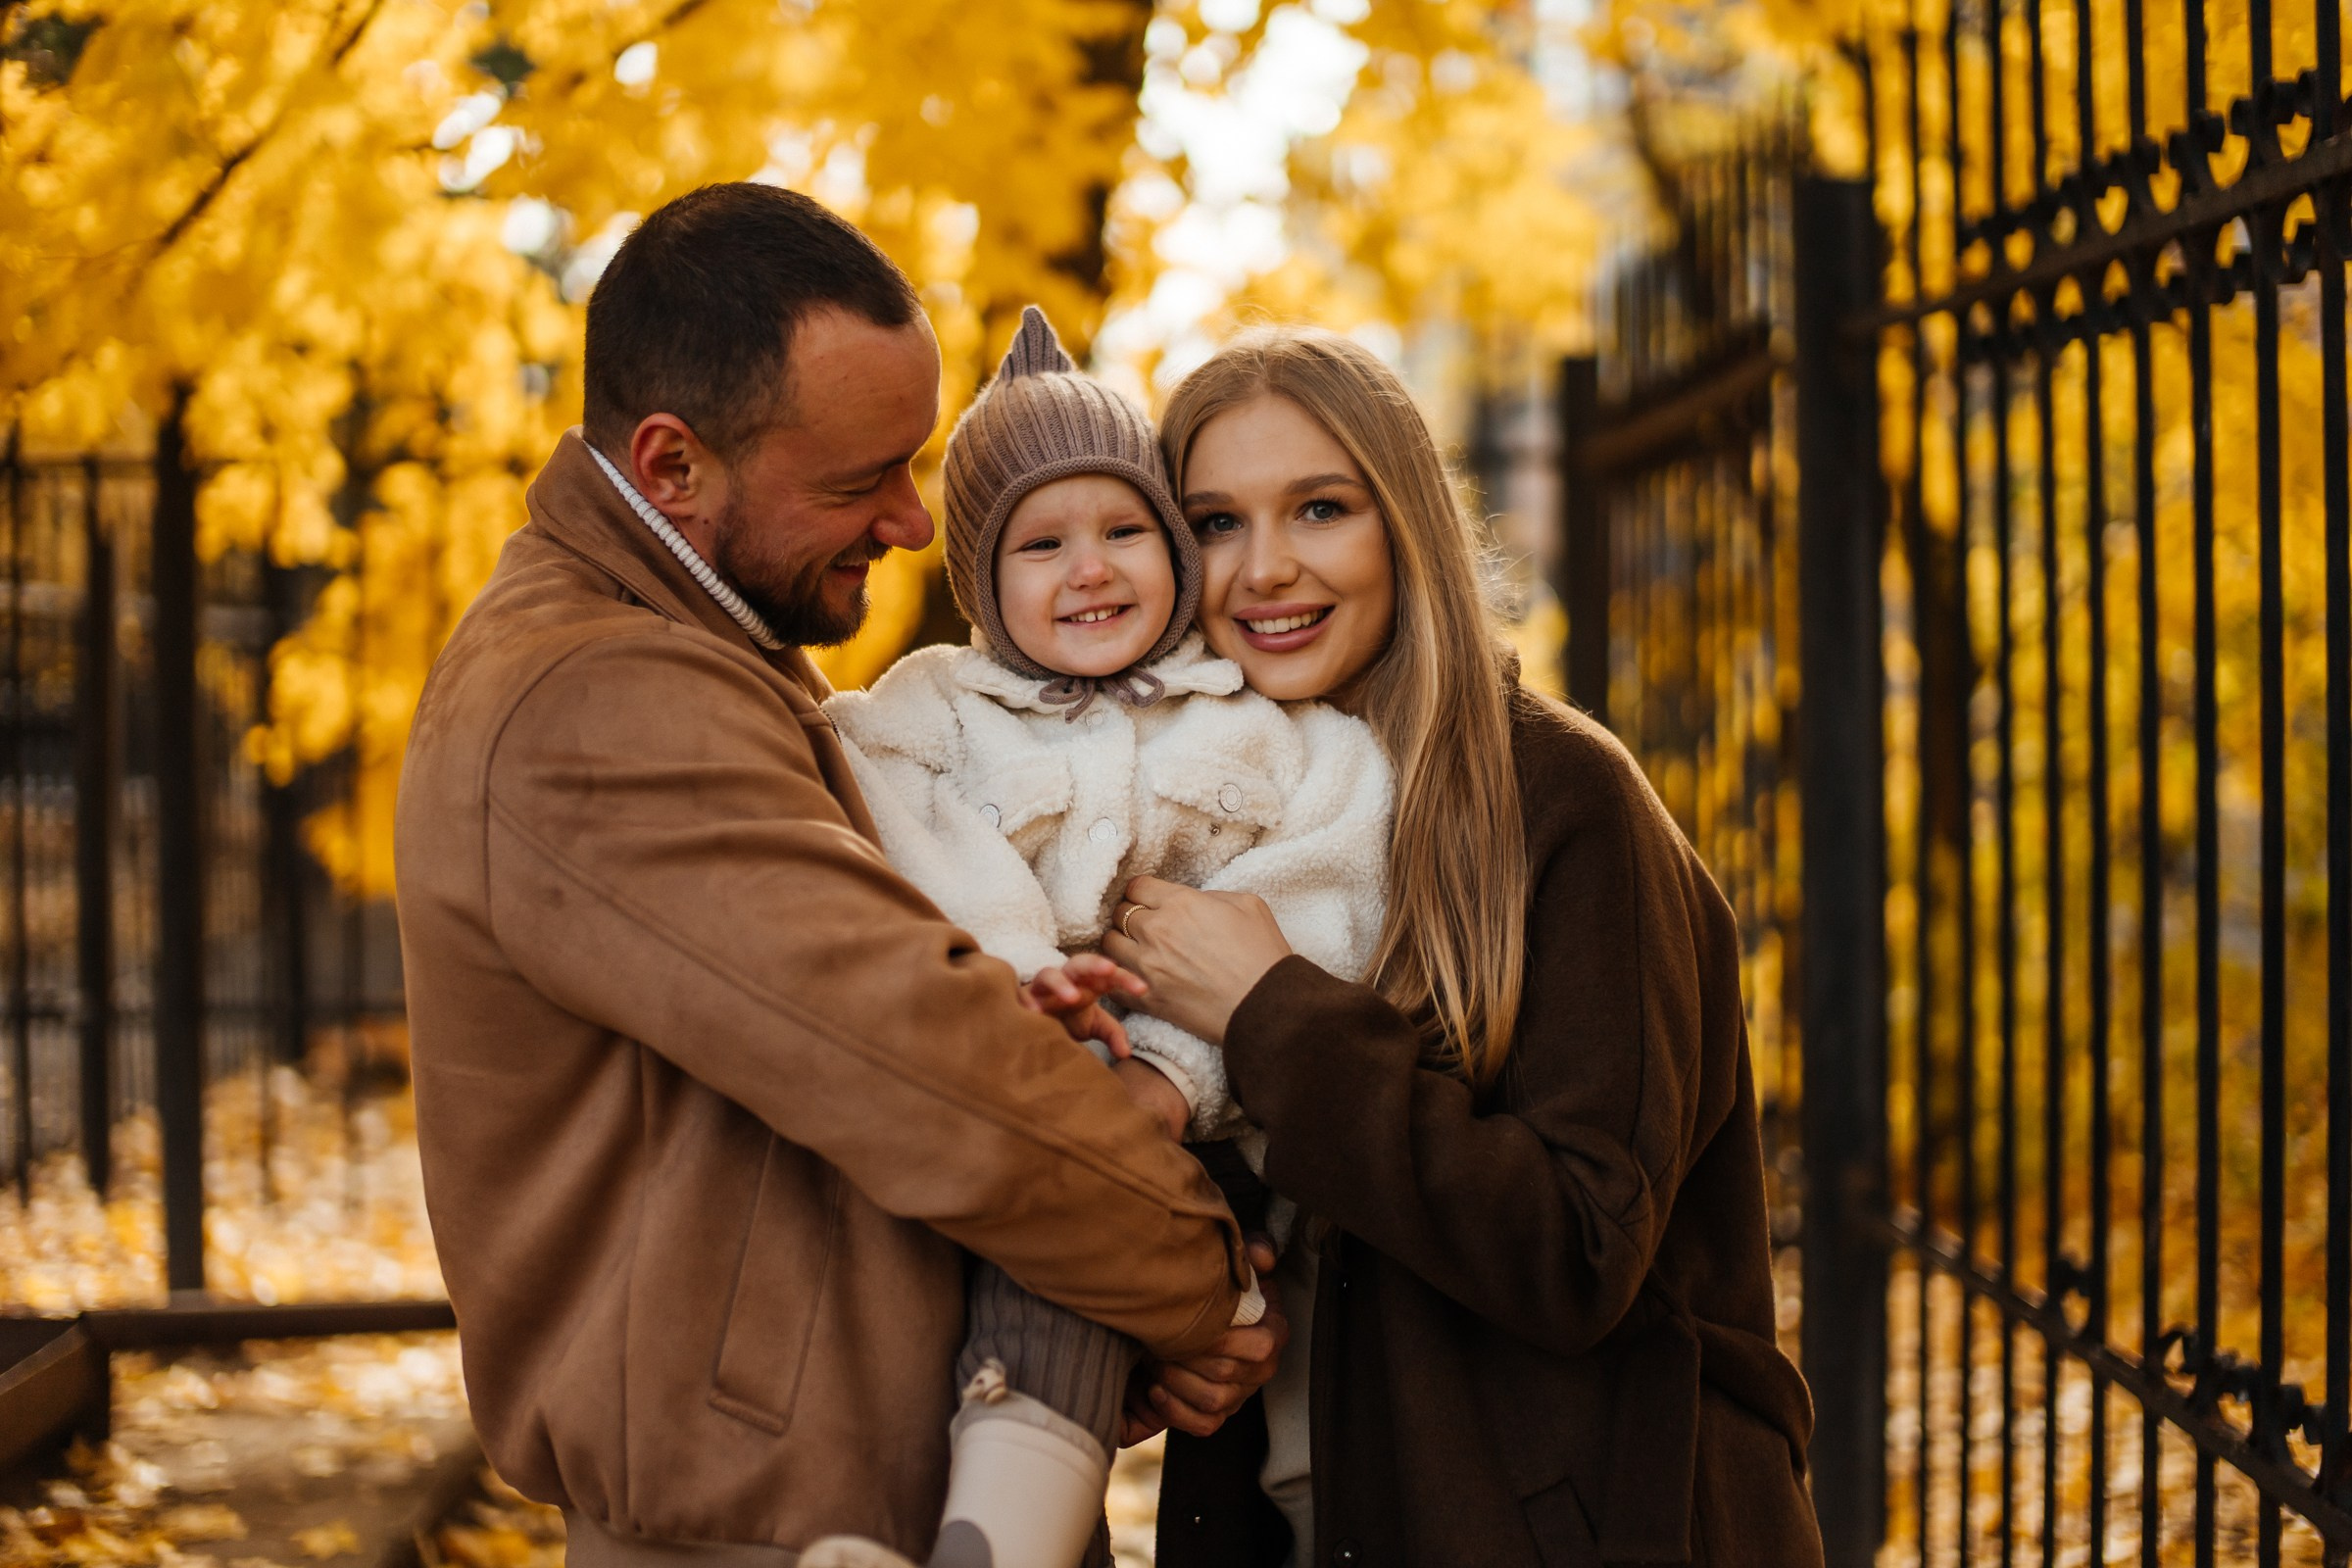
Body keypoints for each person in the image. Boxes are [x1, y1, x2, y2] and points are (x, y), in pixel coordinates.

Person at [393, 183, 1280, 1568]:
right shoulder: (599, 697)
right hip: (765, 1516)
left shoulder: (710, 651)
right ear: (672, 465)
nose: (918, 524)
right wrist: (1197, 1283)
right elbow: (921, 1059)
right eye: (858, 478)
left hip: (877, 1491)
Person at [1101, 326, 1826, 1567]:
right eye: (1216, 522)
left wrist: (1273, 1014)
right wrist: (1169, 1339)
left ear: (1406, 526)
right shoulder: (1198, 826)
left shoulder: (1559, 800)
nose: (1264, 569)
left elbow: (1579, 1251)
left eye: (1320, 508)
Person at [815, 307, 1392, 1568]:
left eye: (1126, 530)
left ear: (1173, 552)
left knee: (1069, 1263)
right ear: (979, 578)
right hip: (1013, 1083)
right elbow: (910, 844)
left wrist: (1165, 1079)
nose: (1090, 568)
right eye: (1043, 543)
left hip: (1206, 1140)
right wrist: (1034, 995)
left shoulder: (1264, 728)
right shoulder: (930, 715)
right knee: (1007, 1267)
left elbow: (1319, 903)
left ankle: (1004, 1546)